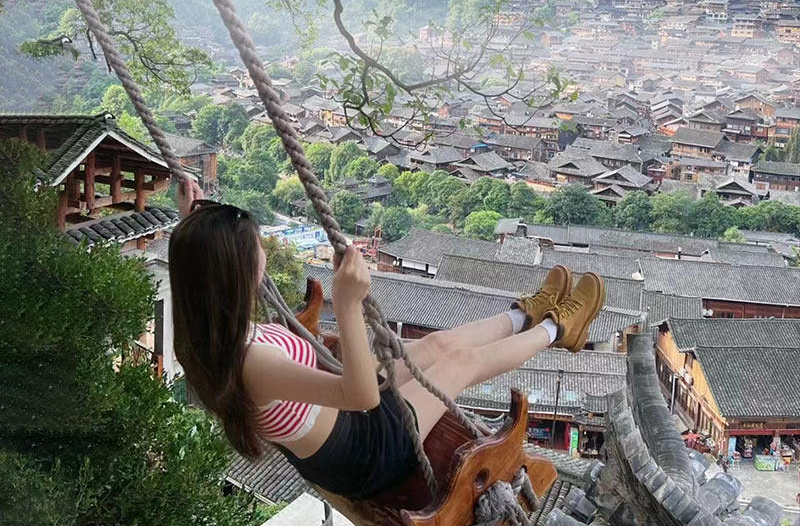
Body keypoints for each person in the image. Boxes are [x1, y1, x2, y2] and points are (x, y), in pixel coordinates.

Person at [168, 181, 606, 500]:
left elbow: (199, 265)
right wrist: (346, 303)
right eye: (257, 246)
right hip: (367, 449)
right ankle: (558, 329)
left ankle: (523, 313)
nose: (264, 249)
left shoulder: (205, 335)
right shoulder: (252, 362)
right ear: (235, 273)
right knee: (460, 363)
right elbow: (360, 396)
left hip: (342, 420)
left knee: (437, 346)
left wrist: (192, 216)